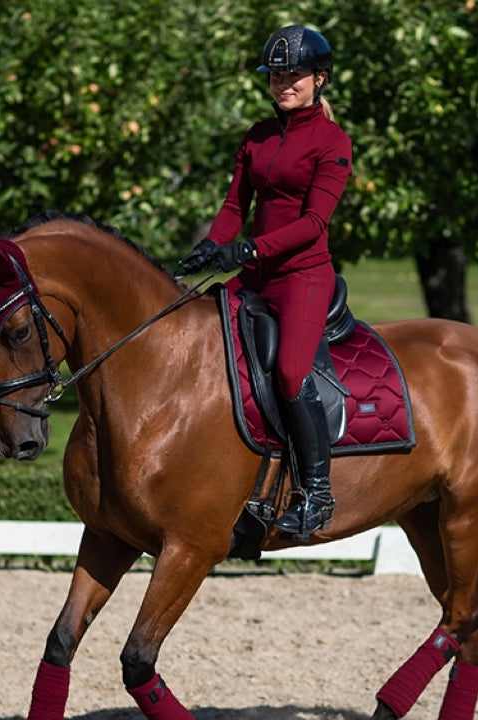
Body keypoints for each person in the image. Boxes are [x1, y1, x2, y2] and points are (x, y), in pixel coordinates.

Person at [178, 24, 352, 542]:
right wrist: (212, 245)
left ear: (320, 79)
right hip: (253, 275)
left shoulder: (332, 141)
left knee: (292, 373)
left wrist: (250, 248)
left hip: (302, 278)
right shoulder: (256, 136)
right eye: (276, 75)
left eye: (294, 75)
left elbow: (314, 224)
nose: (284, 84)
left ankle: (316, 493)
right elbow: (235, 206)